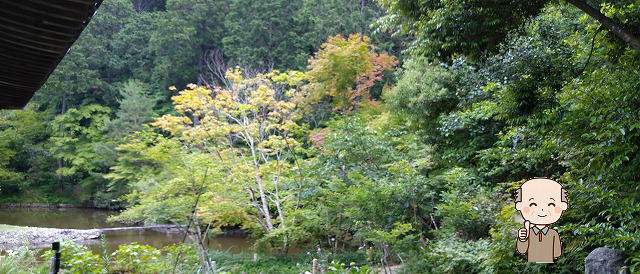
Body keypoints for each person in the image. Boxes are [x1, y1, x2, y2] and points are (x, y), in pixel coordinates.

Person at [514, 178, 568, 263]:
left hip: (549, 266)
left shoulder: (553, 233)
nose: (542, 210)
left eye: (551, 204)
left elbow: (557, 253)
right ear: (520, 206)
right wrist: (522, 239)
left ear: (562, 206)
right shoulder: (529, 233)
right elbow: (522, 250)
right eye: (533, 204)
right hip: (532, 265)